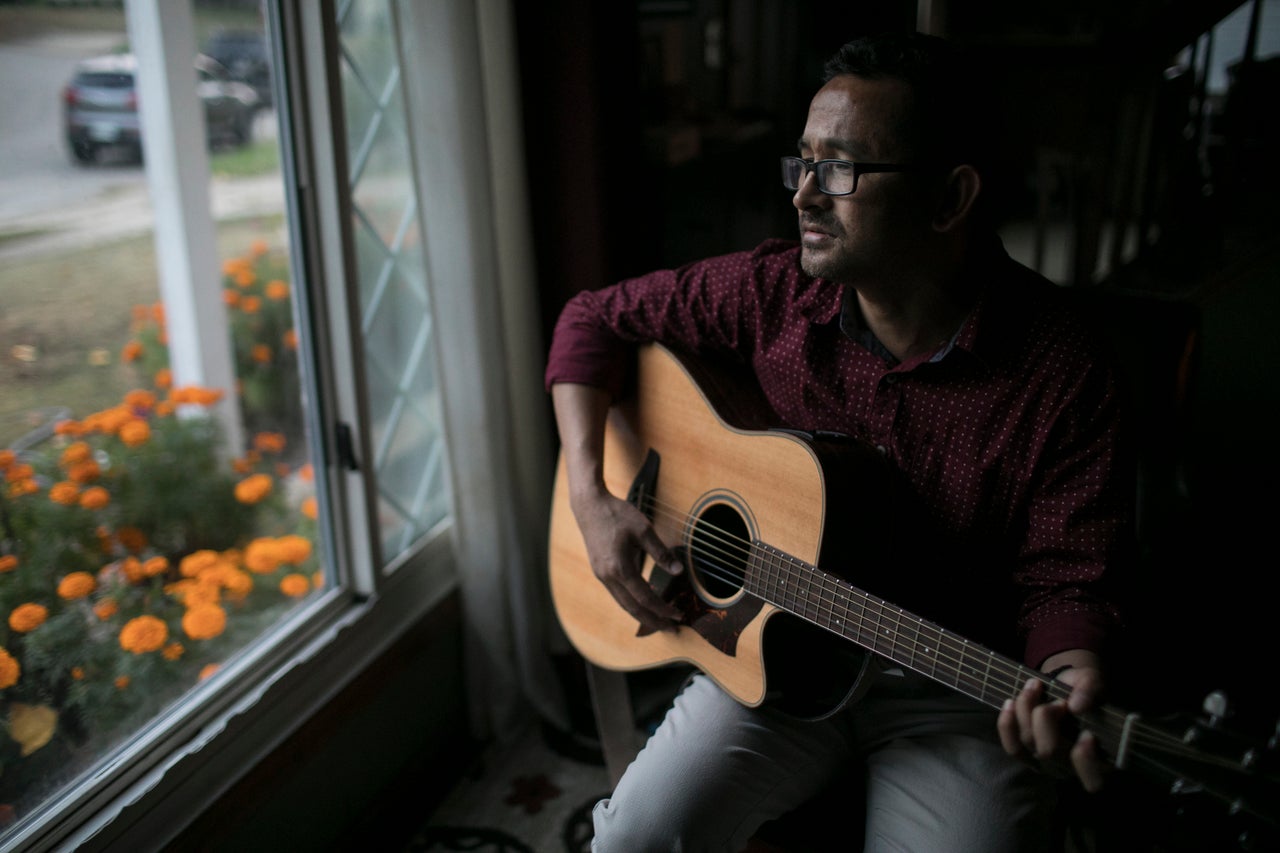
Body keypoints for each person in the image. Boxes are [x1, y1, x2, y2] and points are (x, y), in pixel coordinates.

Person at [544, 30, 1133, 852]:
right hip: (772, 660)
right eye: (802, 162)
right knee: (633, 838)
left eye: (842, 168)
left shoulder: (1063, 368)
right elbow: (590, 320)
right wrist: (591, 496)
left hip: (955, 686)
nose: (804, 197)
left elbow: (1069, 581)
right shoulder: (771, 291)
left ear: (948, 197)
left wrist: (1072, 679)